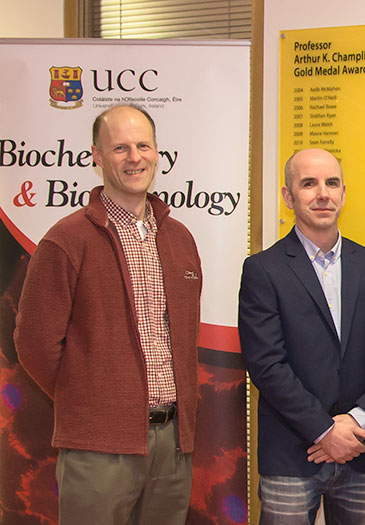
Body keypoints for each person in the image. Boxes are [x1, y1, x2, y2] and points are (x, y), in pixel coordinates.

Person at [14, 104, 202, 524]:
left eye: (142, 145)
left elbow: (185, 338)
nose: (134, 157)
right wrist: (90, 400)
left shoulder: (180, 239)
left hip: (172, 447)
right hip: (99, 450)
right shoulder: (66, 240)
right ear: (97, 156)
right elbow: (35, 344)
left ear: (157, 153)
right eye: (120, 147)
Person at [238, 148, 365, 525]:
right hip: (293, 456)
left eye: (331, 183)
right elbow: (266, 365)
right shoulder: (263, 270)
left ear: (344, 193)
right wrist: (325, 430)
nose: (322, 193)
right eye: (309, 184)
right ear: (288, 196)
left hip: (362, 451)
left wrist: (358, 423)